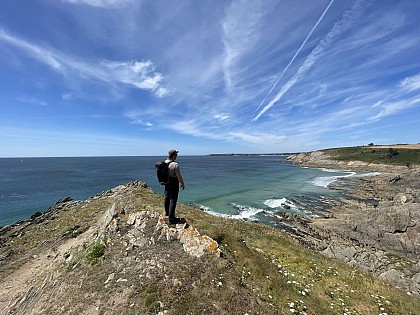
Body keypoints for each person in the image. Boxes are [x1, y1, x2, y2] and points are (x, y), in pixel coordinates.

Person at [164, 149, 185, 224]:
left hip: (166, 182)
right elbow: (178, 176)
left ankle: (167, 213)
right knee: (173, 199)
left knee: (167, 197)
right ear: (173, 155)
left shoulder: (164, 162)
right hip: (173, 183)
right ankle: (171, 218)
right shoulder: (175, 164)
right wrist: (182, 183)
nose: (177, 156)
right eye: (176, 154)